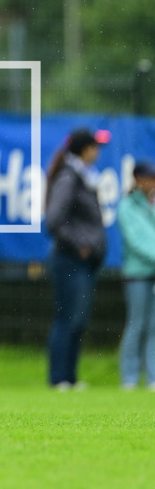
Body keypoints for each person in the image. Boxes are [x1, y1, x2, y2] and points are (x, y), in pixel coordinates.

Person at [45, 128, 110, 390]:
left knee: (77, 320)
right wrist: (79, 245)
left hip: (83, 263)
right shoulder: (69, 178)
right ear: (84, 149)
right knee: (67, 319)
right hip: (69, 260)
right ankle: (59, 378)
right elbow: (53, 221)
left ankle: (69, 377)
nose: (97, 151)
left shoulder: (83, 177)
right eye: (94, 146)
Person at [116, 160, 155, 390]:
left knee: (154, 326)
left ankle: (152, 377)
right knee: (136, 324)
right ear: (137, 179)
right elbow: (137, 240)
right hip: (138, 274)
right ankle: (129, 377)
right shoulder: (127, 205)